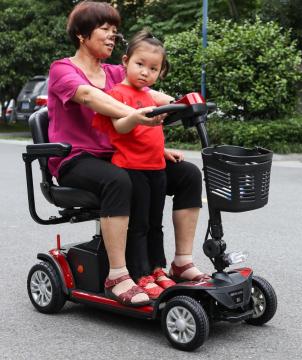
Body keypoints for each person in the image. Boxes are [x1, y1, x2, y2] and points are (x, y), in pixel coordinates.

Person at [48, 1, 208, 306]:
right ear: (82, 33)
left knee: (187, 174)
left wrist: (183, 107)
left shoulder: (113, 72)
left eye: (115, 31)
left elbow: (148, 94)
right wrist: (138, 113)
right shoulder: (62, 69)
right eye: (105, 29)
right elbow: (89, 97)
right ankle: (118, 275)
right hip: (74, 159)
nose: (112, 36)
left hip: (120, 155)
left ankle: (181, 262)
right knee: (119, 180)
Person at [92, 30, 175, 300]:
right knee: (138, 224)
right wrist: (136, 117)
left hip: (156, 169)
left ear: (160, 72)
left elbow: (153, 133)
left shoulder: (152, 97)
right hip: (132, 168)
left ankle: (157, 268)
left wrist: (163, 150)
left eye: (153, 68)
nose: (145, 72)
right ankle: (140, 273)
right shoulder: (119, 93)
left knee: (155, 223)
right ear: (126, 62)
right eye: (140, 64)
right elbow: (120, 125)